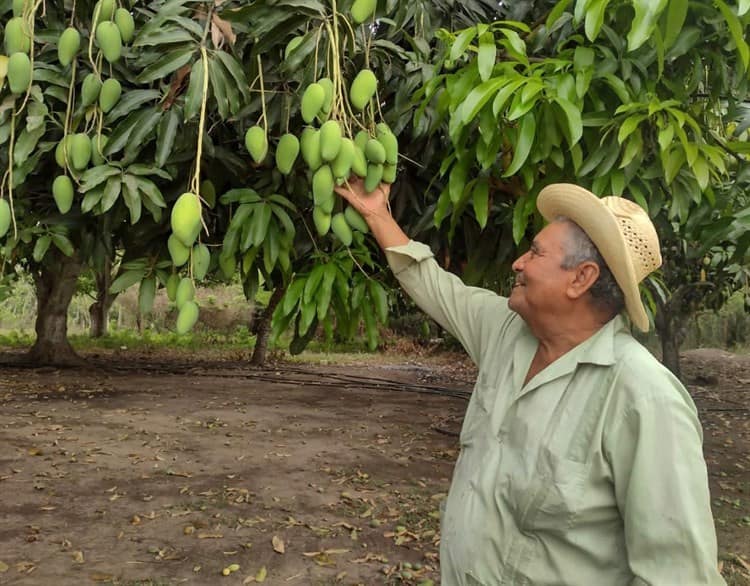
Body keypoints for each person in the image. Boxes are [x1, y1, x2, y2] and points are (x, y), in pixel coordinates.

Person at [334, 179, 724, 585]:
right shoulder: (506, 332)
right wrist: (376, 213)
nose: (518, 262)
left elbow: (678, 574)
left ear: (581, 278)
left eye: (536, 252)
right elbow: (435, 286)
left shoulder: (643, 398)